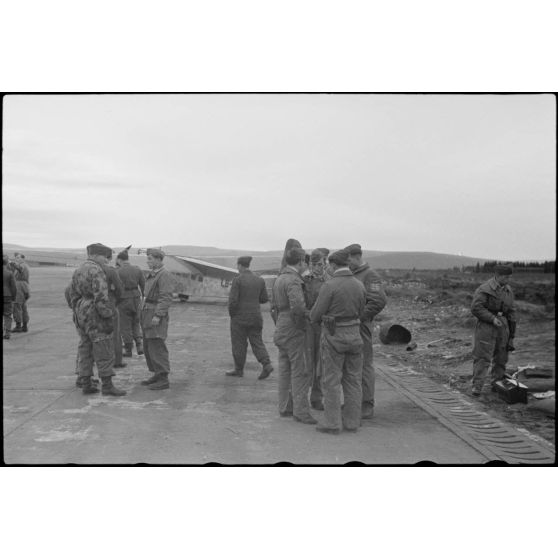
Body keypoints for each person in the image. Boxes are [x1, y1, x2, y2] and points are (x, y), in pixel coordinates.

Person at [310, 250, 366, 434]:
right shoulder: (359, 285)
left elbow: (316, 314)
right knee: (353, 380)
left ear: (333, 265)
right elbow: (361, 310)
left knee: (331, 380)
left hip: (334, 335)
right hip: (355, 335)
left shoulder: (330, 285)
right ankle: (352, 422)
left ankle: (332, 423)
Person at [66, 243, 126, 396]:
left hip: (81, 311)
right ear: (94, 255)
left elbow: (72, 294)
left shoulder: (78, 270)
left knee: (85, 348)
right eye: (104, 257)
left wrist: (77, 311)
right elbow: (100, 296)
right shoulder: (96, 270)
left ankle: (86, 382)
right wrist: (107, 315)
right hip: (95, 313)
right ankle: (107, 385)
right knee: (103, 347)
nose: (106, 260)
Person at [271, 247, 316, 425]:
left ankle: (285, 407)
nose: (305, 264)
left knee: (284, 369)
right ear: (300, 262)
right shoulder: (294, 281)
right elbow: (297, 307)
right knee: (300, 370)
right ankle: (301, 411)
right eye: (304, 262)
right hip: (293, 327)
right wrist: (305, 320)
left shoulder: (280, 278)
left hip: (281, 324)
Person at [345, 243, 387, 419]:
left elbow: (378, 301)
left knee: (365, 365)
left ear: (357, 257)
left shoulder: (370, 276)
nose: (348, 265)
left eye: (349, 261)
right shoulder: (354, 274)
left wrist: (360, 317)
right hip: (351, 327)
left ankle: (367, 404)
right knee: (352, 366)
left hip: (361, 327)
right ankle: (354, 402)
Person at [470, 264, 517, 396]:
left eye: (509, 276)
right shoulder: (484, 289)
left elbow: (512, 311)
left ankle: (497, 385)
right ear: (497, 276)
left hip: (503, 326)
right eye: (506, 276)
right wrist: (491, 318)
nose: (508, 279)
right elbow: (476, 308)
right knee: (482, 357)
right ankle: (477, 387)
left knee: (501, 357)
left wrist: (512, 334)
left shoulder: (508, 290)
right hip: (486, 327)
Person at [226, 256, 274, 379]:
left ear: (240, 266)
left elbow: (232, 301)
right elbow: (264, 299)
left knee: (239, 344)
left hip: (239, 318)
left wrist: (233, 315)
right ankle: (266, 364)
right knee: (257, 342)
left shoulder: (238, 280)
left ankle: (239, 369)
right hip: (256, 317)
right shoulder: (259, 280)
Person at [140, 248, 174, 390]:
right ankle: (156, 373)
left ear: (159, 260)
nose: (148, 261)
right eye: (148, 259)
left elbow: (165, 297)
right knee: (149, 346)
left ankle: (163, 378)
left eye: (151, 259)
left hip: (154, 314)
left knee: (157, 346)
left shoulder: (164, 275)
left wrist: (158, 315)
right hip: (147, 313)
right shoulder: (154, 274)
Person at [303, 249, 329, 410]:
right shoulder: (304, 280)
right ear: (311, 264)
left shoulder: (329, 280)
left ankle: (317, 397)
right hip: (308, 325)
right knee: (307, 363)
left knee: (321, 363)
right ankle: (300, 397)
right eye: (318, 264)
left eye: (323, 263)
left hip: (323, 325)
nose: (321, 267)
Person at [116, 249, 145, 357]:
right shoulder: (137, 269)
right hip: (136, 298)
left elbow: (115, 288)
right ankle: (139, 344)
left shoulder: (118, 271)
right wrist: (142, 299)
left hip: (124, 299)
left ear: (119, 260)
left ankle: (128, 349)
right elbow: (143, 285)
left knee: (125, 325)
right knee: (136, 322)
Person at [102, 252, 126, 369]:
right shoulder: (110, 271)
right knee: (115, 334)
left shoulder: (84, 269)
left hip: (90, 307)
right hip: (109, 305)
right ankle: (117, 361)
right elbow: (120, 289)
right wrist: (115, 302)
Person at [11, 252, 30, 333]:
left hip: (19, 286)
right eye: (16, 257)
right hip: (25, 286)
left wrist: (13, 264)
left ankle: (18, 326)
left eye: (18, 257)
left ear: (23, 258)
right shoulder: (26, 265)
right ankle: (24, 326)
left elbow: (19, 268)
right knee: (23, 307)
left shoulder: (22, 265)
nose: (17, 259)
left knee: (17, 306)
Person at [3, 255, 17, 340]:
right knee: (7, 315)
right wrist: (14, 298)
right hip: (7, 296)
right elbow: (14, 287)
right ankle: (7, 333)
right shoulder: (9, 273)